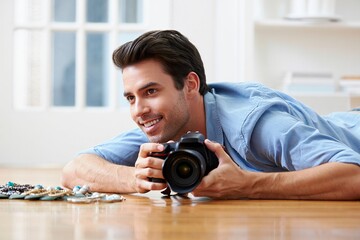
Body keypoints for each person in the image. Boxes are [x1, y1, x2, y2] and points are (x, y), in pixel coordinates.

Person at [61, 30, 360, 200]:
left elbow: (354, 175)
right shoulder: (162, 126)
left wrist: (247, 184)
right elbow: (74, 169)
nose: (138, 110)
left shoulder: (256, 123)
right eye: (131, 98)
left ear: (190, 85)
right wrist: (135, 179)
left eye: (151, 91)